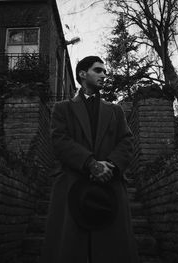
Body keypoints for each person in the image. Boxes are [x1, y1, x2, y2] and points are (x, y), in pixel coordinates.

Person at [39, 56, 139, 263]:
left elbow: (127, 141)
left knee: (113, 251)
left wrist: (109, 166)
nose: (104, 75)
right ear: (83, 74)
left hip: (110, 184)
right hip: (73, 183)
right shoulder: (62, 108)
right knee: (70, 249)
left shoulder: (115, 110)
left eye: (105, 71)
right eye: (98, 70)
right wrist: (91, 164)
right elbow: (59, 140)